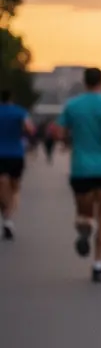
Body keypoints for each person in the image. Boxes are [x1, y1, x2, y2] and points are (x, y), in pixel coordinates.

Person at [55, 68, 101, 283]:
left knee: (84, 214)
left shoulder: (72, 106)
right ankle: (98, 264)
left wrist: (69, 141)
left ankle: (85, 228)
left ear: (84, 83)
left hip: (81, 168)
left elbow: (59, 133)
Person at [0, 90, 34, 240]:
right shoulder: (20, 112)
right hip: (15, 153)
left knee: (2, 185)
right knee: (14, 188)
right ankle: (8, 217)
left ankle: (6, 216)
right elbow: (30, 129)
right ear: (12, 98)